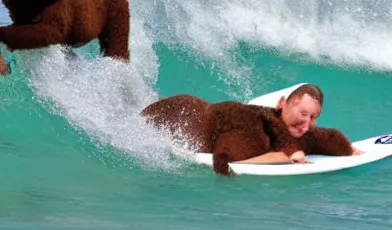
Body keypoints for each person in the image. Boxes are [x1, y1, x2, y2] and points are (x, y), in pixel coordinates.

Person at [142, 83, 363, 175]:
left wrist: (349, 149)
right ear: (281, 103)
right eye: (302, 114)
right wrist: (280, 157)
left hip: (191, 111)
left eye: (313, 117)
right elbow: (229, 156)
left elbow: (328, 138)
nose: (306, 124)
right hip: (185, 117)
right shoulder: (256, 125)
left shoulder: (302, 133)